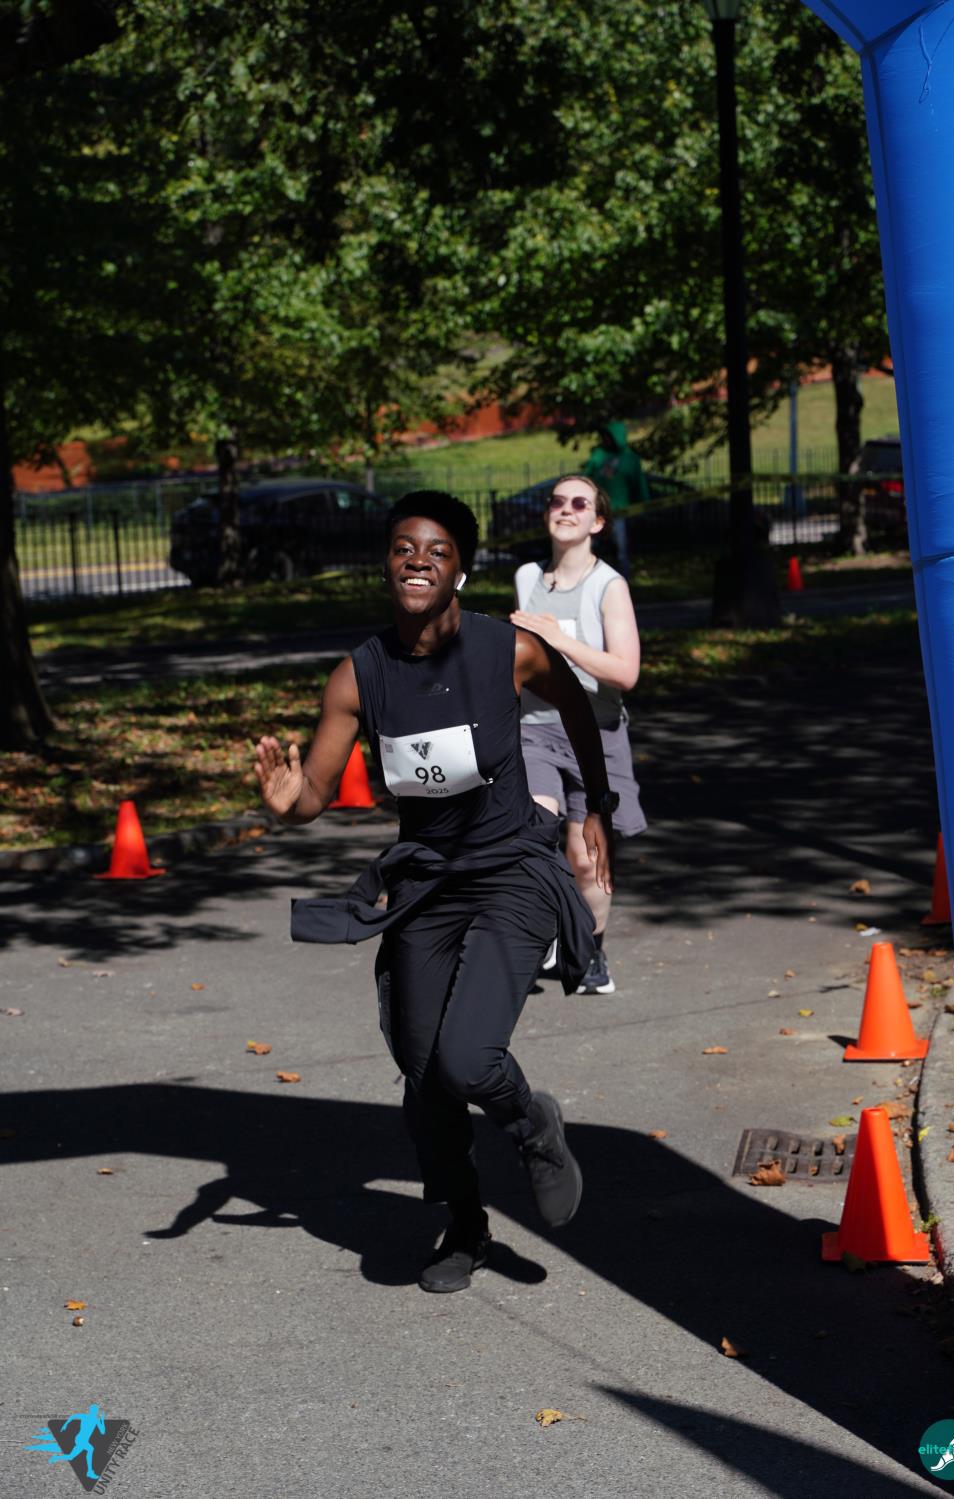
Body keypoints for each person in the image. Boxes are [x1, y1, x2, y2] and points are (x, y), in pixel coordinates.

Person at [254, 491, 617, 1296]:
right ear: (387, 563)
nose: (418, 560)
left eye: (437, 550)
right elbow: (315, 789)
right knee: (424, 1075)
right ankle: (466, 1220)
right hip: (426, 884)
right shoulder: (359, 675)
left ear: (461, 569)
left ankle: (531, 1121)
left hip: (512, 869)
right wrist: (288, 802)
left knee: (468, 1056)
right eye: (403, 548)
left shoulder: (508, 650)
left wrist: (594, 806)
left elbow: (579, 708)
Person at [510, 474, 646, 996]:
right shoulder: (527, 577)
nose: (565, 510)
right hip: (535, 730)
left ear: (597, 522)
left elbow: (625, 672)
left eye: (579, 503)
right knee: (532, 832)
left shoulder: (609, 586)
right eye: (557, 501)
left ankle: (590, 952)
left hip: (596, 733)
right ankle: (540, 931)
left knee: (586, 859)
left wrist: (558, 639)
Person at [583, 420, 650, 581]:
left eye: (609, 436)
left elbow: (639, 484)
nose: (605, 439)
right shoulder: (599, 455)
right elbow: (586, 478)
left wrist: (644, 504)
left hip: (620, 512)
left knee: (621, 550)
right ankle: (588, 580)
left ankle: (622, 582)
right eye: (604, 436)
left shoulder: (630, 459)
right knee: (589, 548)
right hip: (598, 511)